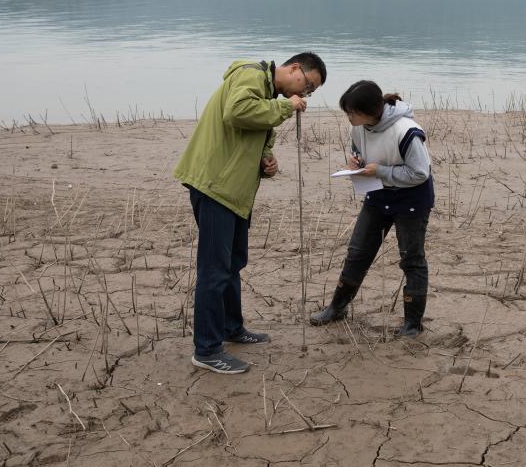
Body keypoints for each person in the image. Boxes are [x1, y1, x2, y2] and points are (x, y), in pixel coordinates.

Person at [175, 52, 326, 374]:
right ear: (295, 69)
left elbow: (256, 132)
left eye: (310, 91)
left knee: (232, 263)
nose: (305, 93)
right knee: (214, 270)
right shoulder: (250, 75)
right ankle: (206, 349)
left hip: (236, 192)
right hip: (215, 185)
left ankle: (232, 328)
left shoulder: (268, 93)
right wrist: (287, 107)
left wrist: (266, 161)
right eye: (308, 85)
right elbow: (237, 112)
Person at [311, 80, 434, 337]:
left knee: (411, 260)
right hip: (377, 194)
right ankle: (337, 307)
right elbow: (361, 151)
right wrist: (357, 162)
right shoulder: (359, 128)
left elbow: (420, 173)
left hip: (411, 200)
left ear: (372, 110)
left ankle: (413, 324)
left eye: (352, 112)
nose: (349, 117)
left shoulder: (407, 130)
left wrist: (381, 171)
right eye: (347, 112)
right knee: (358, 252)